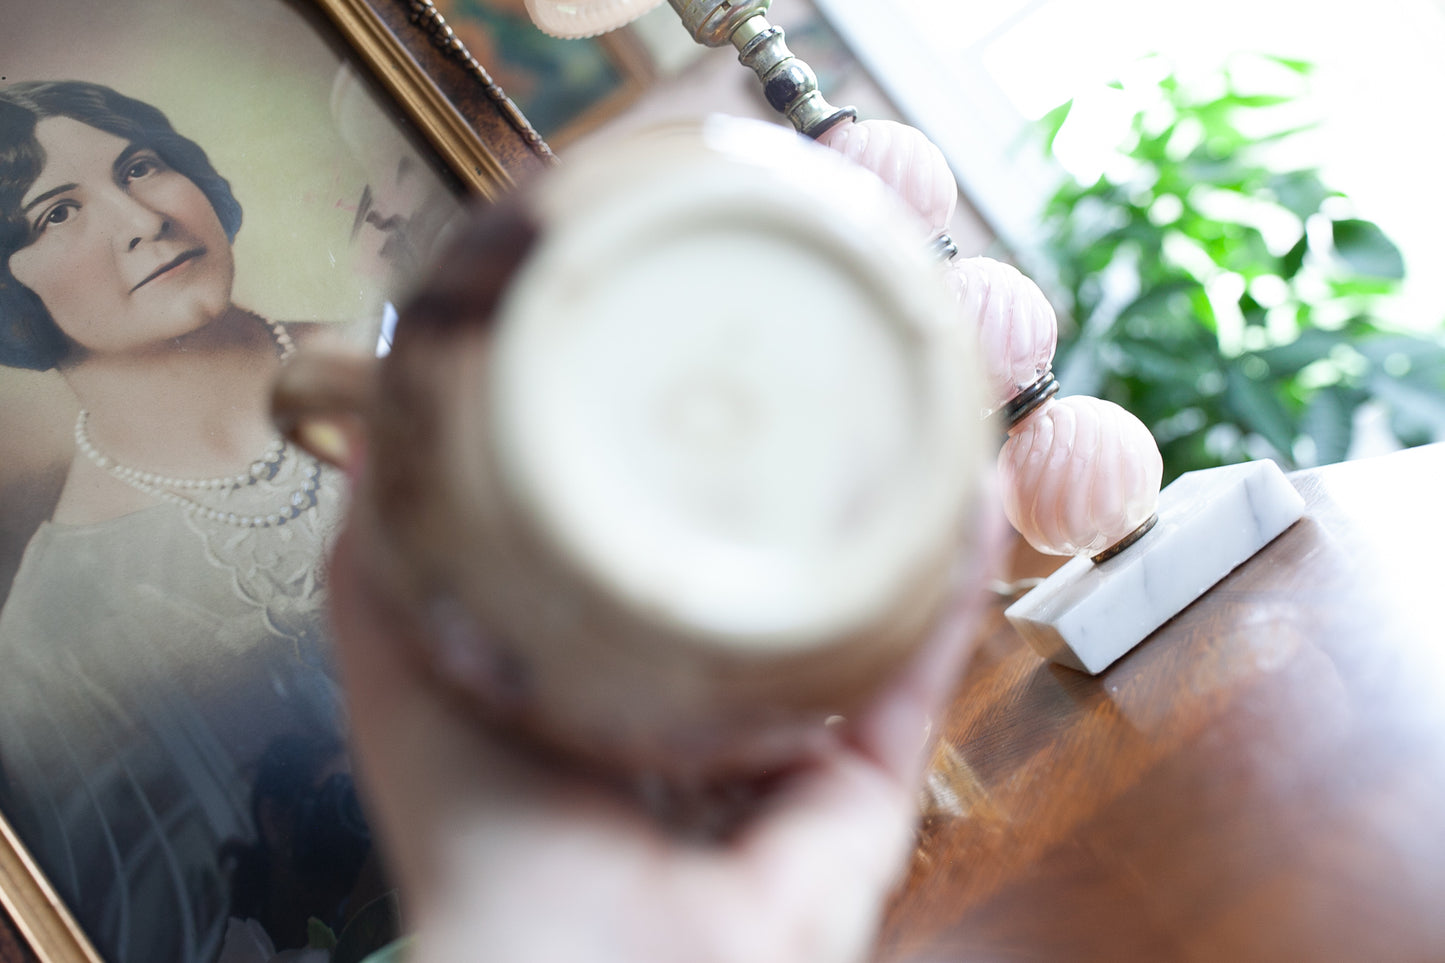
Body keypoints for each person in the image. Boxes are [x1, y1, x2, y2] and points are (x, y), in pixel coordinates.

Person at [0, 80, 380, 963]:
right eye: (56, 214)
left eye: (142, 166)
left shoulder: (414, 359)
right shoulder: (48, 653)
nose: (142, 218)